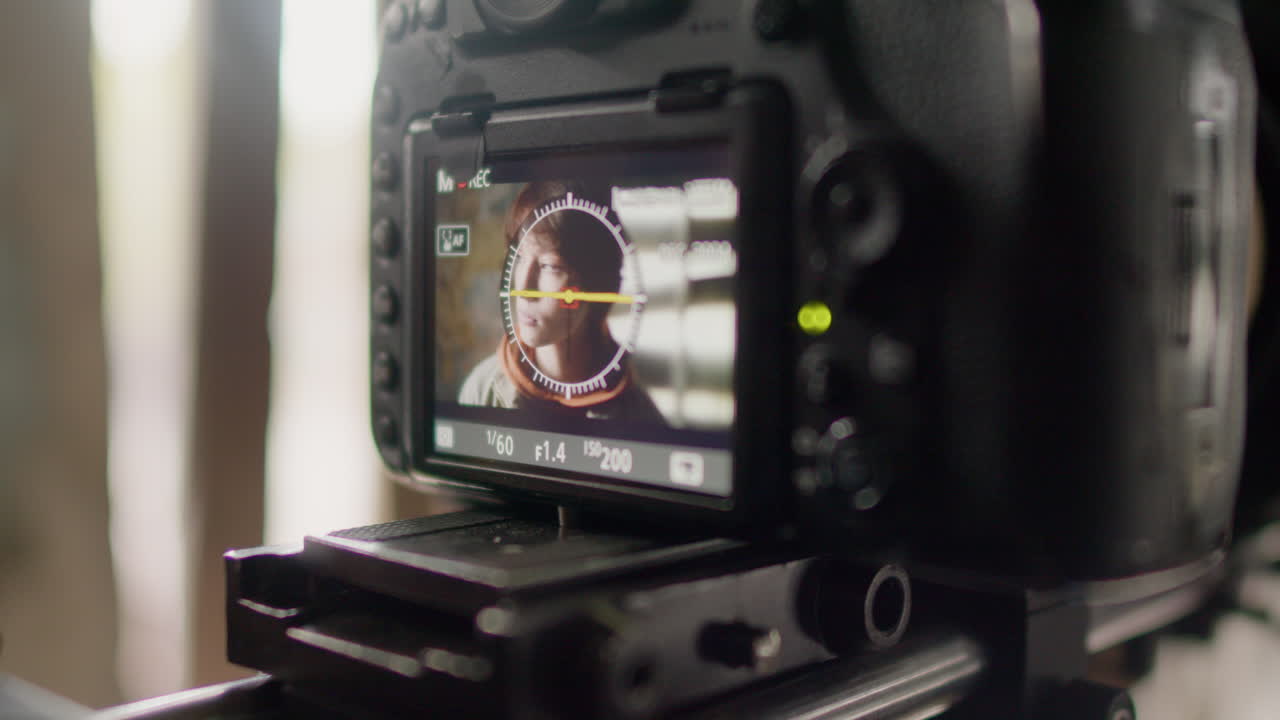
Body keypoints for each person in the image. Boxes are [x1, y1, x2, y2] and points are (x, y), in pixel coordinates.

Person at [459, 180, 665, 425]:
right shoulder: (482, 389)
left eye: (550, 266)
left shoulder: (639, 417)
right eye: (519, 257)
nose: (523, 289)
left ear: (597, 283)